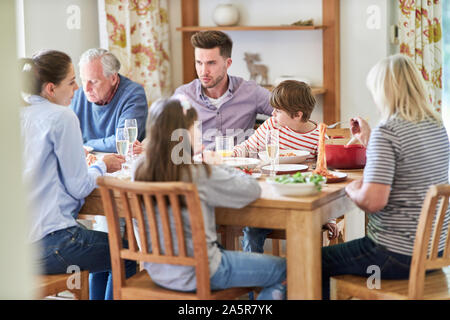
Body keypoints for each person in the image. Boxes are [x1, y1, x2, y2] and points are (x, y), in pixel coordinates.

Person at [321, 54, 450, 299]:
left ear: (385, 92)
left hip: (393, 254)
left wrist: (352, 189)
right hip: (433, 251)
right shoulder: (436, 126)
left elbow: (373, 202)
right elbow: (409, 167)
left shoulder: (389, 131)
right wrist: (369, 140)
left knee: (311, 260)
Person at [133, 98, 286, 299]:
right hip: (200, 270)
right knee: (284, 270)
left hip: (158, 271)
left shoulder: (139, 169)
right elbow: (251, 190)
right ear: (184, 134)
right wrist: (219, 165)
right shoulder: (198, 173)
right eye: (196, 127)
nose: (200, 132)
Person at [20, 50, 136, 300]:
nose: (78, 89)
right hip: (51, 242)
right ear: (51, 88)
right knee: (126, 254)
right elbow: (80, 187)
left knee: (101, 253)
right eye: (72, 82)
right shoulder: (61, 116)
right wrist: (102, 165)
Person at [233, 80, 338, 254]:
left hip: (301, 206)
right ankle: (254, 273)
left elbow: (326, 179)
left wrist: (328, 217)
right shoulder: (272, 126)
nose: (272, 113)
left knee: (303, 238)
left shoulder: (317, 137)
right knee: (251, 230)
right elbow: (247, 147)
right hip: (272, 202)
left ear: (297, 115)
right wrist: (232, 154)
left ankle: (297, 278)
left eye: (278, 111)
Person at [173, 30, 273, 149]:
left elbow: (291, 114)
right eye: (199, 63)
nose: (203, 71)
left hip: (239, 165)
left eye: (211, 63)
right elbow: (165, 132)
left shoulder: (251, 92)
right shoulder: (184, 95)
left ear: (228, 63)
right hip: (200, 165)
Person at [70, 48, 148, 153]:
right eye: (83, 80)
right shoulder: (79, 95)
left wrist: (86, 144)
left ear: (113, 78)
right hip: (92, 164)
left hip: (124, 163)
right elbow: (66, 136)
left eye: (93, 81)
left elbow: (124, 140)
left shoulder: (133, 94)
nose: (86, 89)